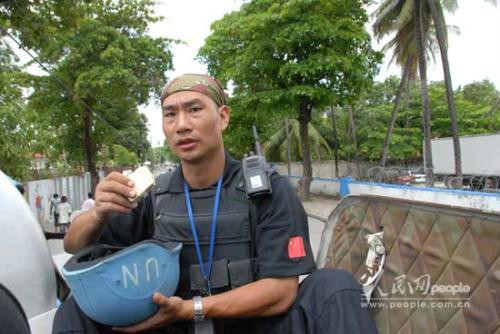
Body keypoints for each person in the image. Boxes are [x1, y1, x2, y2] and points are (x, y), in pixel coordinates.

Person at [58, 74, 376, 334]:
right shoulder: (151, 195)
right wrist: (98, 213)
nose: (182, 124)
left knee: (336, 286)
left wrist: (190, 309)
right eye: (171, 114)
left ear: (222, 117)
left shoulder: (267, 190)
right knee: (79, 306)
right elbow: (75, 246)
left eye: (194, 109)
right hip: (171, 330)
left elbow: (282, 292)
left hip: (253, 328)